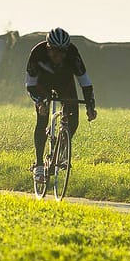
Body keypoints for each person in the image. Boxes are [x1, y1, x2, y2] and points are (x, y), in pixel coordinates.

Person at [24, 27, 96, 187]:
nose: (59, 56)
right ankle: (39, 165)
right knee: (42, 119)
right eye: (55, 52)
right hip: (42, 85)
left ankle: (61, 149)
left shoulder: (73, 54)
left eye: (63, 52)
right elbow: (30, 85)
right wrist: (40, 101)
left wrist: (90, 106)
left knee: (74, 120)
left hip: (65, 83)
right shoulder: (37, 53)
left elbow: (85, 82)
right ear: (48, 48)